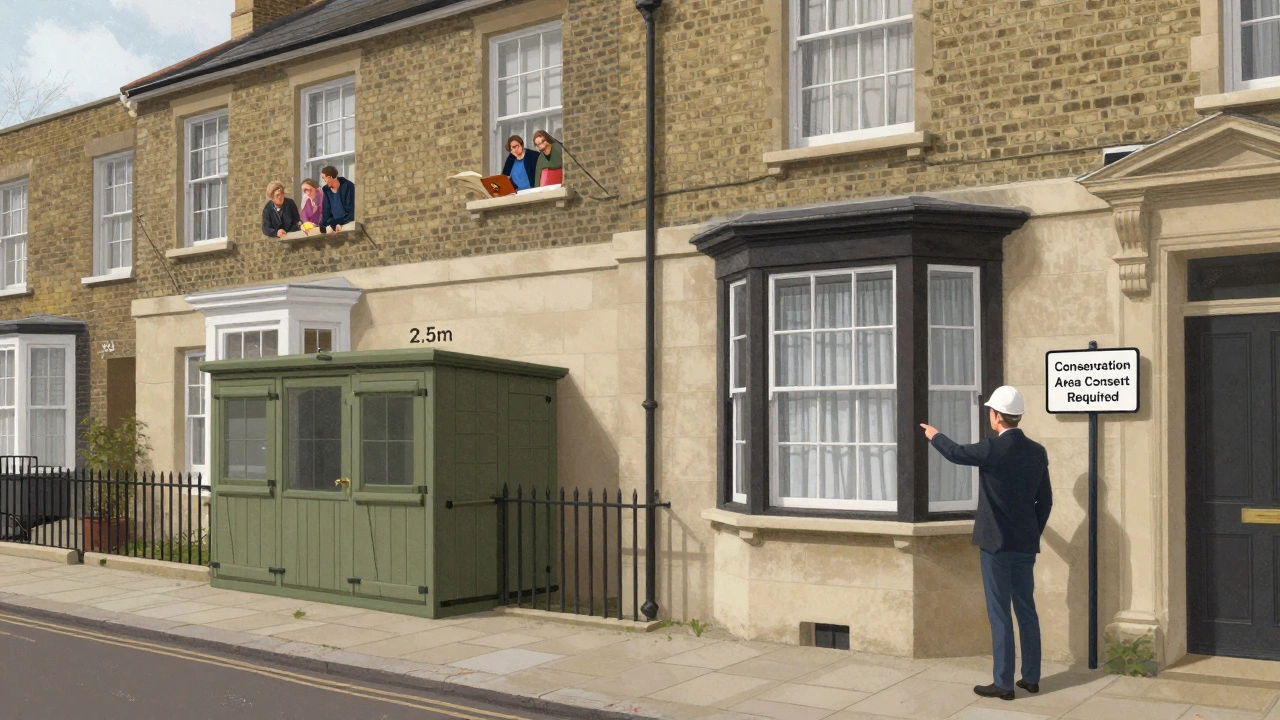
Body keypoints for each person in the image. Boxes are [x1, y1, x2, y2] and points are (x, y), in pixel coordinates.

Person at [920, 386, 1052, 702]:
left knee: (999, 613)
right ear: (1017, 416)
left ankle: (1003, 684)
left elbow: (956, 453)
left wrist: (934, 435)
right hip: (1024, 545)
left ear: (995, 416)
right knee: (1026, 609)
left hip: (995, 546)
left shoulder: (992, 449)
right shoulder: (1037, 452)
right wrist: (1032, 531)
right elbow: (1044, 501)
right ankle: (1031, 679)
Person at [319, 165, 355, 233]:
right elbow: (326, 211)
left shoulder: (348, 186)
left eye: (324, 178)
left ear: (330, 177)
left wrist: (337, 223)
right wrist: (322, 226)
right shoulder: (326, 190)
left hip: (347, 222)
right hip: (333, 224)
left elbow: (351, 211)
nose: (324, 181)